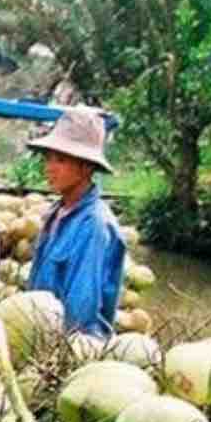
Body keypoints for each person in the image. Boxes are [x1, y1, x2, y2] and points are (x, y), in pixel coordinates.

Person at [25, 108, 126, 335]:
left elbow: (80, 313)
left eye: (60, 160)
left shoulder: (94, 225)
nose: (49, 168)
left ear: (86, 166)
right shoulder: (55, 213)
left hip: (67, 349)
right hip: (39, 338)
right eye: (48, 158)